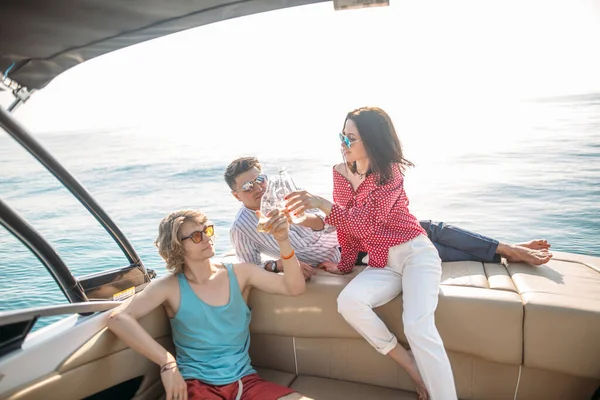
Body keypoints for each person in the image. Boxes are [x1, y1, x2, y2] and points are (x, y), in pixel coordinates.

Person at [285, 107, 458, 399]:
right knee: (349, 302)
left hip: (416, 254)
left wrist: (322, 204)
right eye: (342, 135)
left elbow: (366, 224)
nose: (343, 143)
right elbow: (347, 228)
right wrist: (342, 264)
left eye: (350, 137)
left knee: (417, 325)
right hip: (382, 262)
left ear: (372, 140)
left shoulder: (390, 174)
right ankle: (410, 364)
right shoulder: (340, 173)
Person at [224, 157, 551, 278]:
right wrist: (276, 265)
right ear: (235, 195)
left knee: (428, 228)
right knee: (427, 247)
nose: (257, 187)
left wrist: (301, 216)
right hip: (347, 253)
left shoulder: (284, 195)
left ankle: (505, 248)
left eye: (259, 178)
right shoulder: (242, 227)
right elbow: (246, 266)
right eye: (247, 185)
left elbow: (323, 221)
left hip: (352, 231)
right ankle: (504, 252)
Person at [106, 209, 311, 400]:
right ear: (178, 246)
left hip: (245, 382)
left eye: (207, 230)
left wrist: (283, 240)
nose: (207, 238)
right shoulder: (168, 287)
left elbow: (294, 288)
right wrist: (167, 362)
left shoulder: (241, 273)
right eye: (196, 236)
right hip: (197, 385)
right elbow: (118, 318)